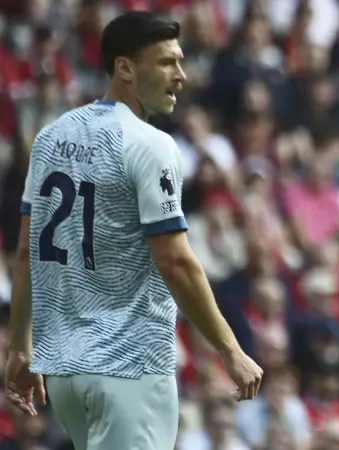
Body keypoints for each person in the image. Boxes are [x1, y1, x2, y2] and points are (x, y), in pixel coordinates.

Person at [3, 11, 262, 450]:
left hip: (66, 374)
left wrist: (21, 346)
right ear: (124, 68)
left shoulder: (49, 137)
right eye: (165, 63)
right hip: (127, 368)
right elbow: (176, 261)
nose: (180, 75)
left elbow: (27, 251)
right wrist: (231, 351)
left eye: (180, 62)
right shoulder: (151, 145)